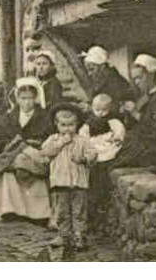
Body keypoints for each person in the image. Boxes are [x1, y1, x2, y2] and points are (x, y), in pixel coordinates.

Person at [0, 77, 52, 223]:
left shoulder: (44, 117)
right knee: (9, 167)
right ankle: (9, 209)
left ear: (36, 98)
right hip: (13, 153)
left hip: (35, 154)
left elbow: (49, 138)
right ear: (17, 98)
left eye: (30, 98)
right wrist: (12, 147)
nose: (27, 102)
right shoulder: (8, 117)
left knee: (30, 164)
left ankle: (37, 212)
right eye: (23, 98)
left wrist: (32, 146)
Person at [41, 102, 98, 255]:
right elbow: (46, 152)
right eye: (63, 125)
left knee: (79, 210)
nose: (67, 128)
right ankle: (64, 235)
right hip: (59, 182)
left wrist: (84, 158)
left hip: (78, 182)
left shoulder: (82, 140)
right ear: (56, 124)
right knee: (62, 211)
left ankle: (79, 235)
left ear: (77, 124)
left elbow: (93, 154)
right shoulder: (53, 139)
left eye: (71, 125)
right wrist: (60, 143)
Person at [111, 54, 156, 172]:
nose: (136, 82)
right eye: (134, 79)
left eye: (139, 78)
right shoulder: (150, 97)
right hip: (148, 148)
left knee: (110, 165)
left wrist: (136, 114)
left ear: (151, 75)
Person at [79, 92, 125, 229]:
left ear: (109, 109)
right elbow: (83, 137)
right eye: (97, 110)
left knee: (103, 175)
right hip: (95, 151)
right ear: (92, 108)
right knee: (92, 180)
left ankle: (101, 210)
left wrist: (116, 138)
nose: (100, 113)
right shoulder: (88, 123)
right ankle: (91, 214)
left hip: (108, 150)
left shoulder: (113, 121)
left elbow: (120, 132)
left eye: (104, 110)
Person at [33, 49, 63, 114]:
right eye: (38, 64)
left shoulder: (54, 84)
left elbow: (53, 104)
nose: (41, 67)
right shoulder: (36, 83)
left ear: (51, 66)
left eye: (44, 64)